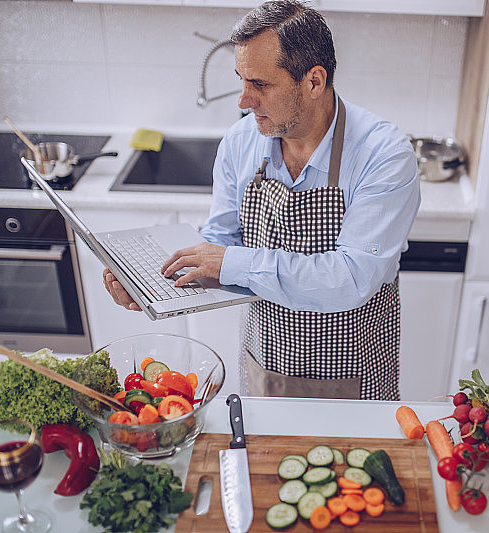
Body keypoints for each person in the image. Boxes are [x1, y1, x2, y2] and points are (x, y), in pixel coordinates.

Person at [103, 0, 420, 400]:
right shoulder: (240, 142)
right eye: (241, 80)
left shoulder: (383, 155)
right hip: (264, 366)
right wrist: (152, 283)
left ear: (314, 81)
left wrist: (230, 262)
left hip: (355, 377)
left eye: (261, 85)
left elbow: (351, 278)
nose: (243, 100)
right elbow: (220, 246)